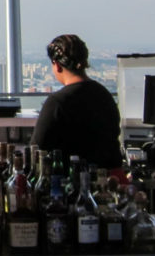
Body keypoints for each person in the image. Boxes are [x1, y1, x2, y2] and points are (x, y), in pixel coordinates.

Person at [30, 34, 123, 169]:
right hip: (107, 179)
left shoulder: (57, 102)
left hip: (71, 182)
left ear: (57, 65)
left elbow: (37, 149)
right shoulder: (105, 95)